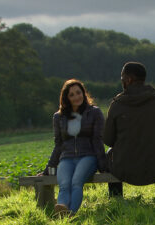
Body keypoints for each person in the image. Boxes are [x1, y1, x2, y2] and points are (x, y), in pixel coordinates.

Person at [103, 62, 155, 203]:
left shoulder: (117, 104)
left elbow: (108, 139)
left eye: (122, 77)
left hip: (124, 166)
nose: (121, 80)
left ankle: (116, 197)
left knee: (108, 154)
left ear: (129, 79)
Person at [39, 79, 107, 215]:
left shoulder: (94, 112)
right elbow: (58, 145)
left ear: (83, 93)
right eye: (72, 95)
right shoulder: (59, 117)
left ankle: (70, 215)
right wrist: (49, 169)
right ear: (66, 98)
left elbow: (98, 141)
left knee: (76, 182)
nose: (76, 97)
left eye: (78, 92)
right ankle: (62, 208)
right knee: (64, 185)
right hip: (67, 158)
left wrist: (104, 166)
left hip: (88, 157)